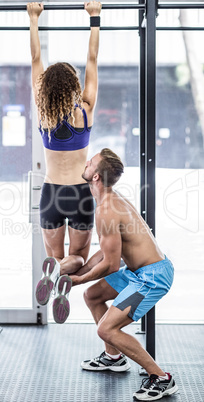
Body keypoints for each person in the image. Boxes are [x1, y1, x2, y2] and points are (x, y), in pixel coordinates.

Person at [68, 148, 179, 401]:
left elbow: (110, 264)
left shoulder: (107, 208)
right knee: (93, 295)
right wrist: (81, 273)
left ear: (95, 176)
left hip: (152, 278)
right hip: (137, 272)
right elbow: (108, 252)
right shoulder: (109, 200)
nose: (87, 163)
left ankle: (161, 378)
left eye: (91, 162)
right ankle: (113, 357)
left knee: (107, 328)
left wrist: (76, 279)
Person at [27, 1, 102, 324]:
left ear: (46, 90)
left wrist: (33, 18)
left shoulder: (44, 114)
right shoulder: (84, 110)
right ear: (73, 86)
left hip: (51, 194)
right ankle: (62, 279)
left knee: (53, 256)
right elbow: (92, 59)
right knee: (79, 257)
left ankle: (54, 270)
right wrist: (94, 17)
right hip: (81, 195)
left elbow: (34, 59)